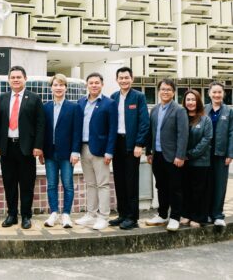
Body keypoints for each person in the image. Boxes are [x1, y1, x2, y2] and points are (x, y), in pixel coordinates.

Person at [0, 65, 45, 229]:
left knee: (27, 184)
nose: (15, 80)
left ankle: (26, 216)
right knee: (9, 183)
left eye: (18, 77)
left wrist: (38, 146)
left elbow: (40, 124)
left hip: (26, 148)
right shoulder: (2, 99)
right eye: (13, 77)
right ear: (9, 80)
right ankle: (12, 215)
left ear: (25, 79)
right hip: (7, 147)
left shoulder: (34, 98)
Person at [75, 73, 118, 231]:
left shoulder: (109, 103)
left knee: (102, 184)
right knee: (90, 184)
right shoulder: (81, 102)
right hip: (84, 148)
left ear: (102, 84)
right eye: (91, 83)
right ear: (87, 85)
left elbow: (113, 129)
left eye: (97, 82)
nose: (94, 85)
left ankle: (103, 217)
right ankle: (91, 214)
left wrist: (109, 151)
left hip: (100, 151)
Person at [109, 67, 149, 230]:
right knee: (119, 180)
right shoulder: (114, 97)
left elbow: (144, 122)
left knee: (131, 182)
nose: (124, 80)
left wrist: (139, 144)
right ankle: (123, 214)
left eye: (127, 77)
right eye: (121, 78)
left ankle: (132, 217)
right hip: (117, 143)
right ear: (117, 79)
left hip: (132, 144)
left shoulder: (139, 97)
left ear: (132, 79)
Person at [146, 78, 188, 232]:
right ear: (159, 91)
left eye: (169, 89)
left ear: (174, 92)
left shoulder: (179, 110)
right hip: (157, 155)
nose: (165, 92)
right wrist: (149, 152)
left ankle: (175, 217)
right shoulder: (154, 109)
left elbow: (183, 134)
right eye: (163, 89)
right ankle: (162, 215)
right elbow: (151, 132)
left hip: (173, 157)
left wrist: (180, 155)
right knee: (161, 186)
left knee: (175, 188)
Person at [41, 74, 82, 229]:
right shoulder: (45, 107)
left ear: (66, 88)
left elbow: (77, 131)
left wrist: (75, 151)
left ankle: (66, 214)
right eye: (55, 85)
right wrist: (41, 151)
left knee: (68, 184)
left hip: (67, 154)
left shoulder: (74, 107)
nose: (58, 88)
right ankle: (53, 213)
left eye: (61, 85)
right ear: (51, 88)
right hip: (49, 153)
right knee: (51, 184)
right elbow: (42, 130)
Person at [181, 89, 212, 227]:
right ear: (184, 102)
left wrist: (190, 154)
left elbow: (206, 140)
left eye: (193, 99)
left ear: (198, 101)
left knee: (199, 191)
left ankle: (198, 217)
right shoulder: (181, 117)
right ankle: (186, 214)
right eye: (188, 99)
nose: (191, 102)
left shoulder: (205, 119)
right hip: (183, 161)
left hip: (200, 161)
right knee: (185, 189)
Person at [206, 81, 233, 227]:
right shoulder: (204, 109)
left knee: (220, 185)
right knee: (206, 184)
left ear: (223, 94)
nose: (217, 95)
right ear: (209, 94)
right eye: (214, 92)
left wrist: (230, 153)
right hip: (204, 154)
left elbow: (232, 133)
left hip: (221, 154)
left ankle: (217, 215)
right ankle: (206, 213)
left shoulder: (229, 111)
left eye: (219, 92)